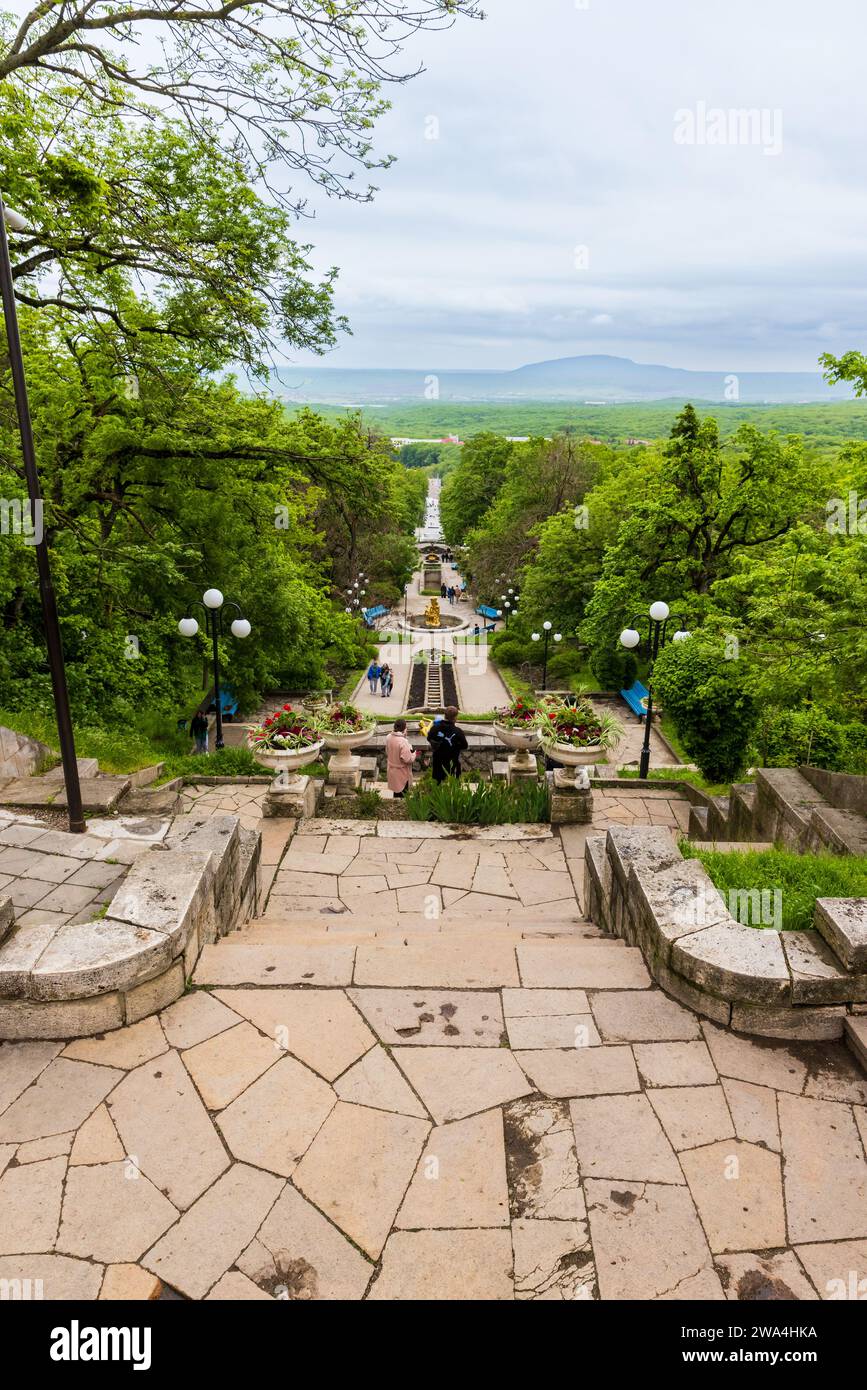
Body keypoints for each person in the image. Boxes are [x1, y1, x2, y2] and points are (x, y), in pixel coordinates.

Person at [427, 705, 468, 783]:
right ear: (455, 718)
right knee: (453, 787)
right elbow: (465, 745)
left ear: (444, 716)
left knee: (437, 788)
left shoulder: (435, 728)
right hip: (452, 764)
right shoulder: (458, 731)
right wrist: (454, 746)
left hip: (438, 764)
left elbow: (429, 738)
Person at [385, 718, 417, 796]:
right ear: (404, 728)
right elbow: (407, 759)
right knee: (403, 793)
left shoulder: (388, 737)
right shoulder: (403, 741)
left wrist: (403, 736)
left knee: (396, 792)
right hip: (401, 773)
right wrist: (414, 754)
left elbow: (387, 751)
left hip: (392, 770)